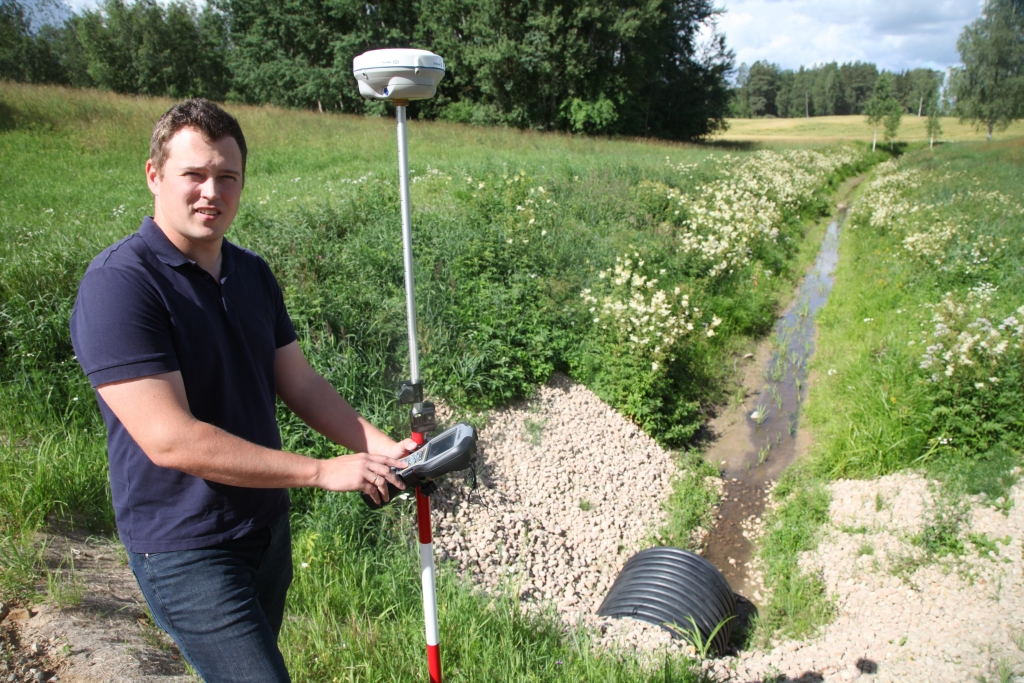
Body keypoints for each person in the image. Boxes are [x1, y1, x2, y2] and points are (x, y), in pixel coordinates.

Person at [70, 98, 416, 683]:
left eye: (227, 177)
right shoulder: (121, 286)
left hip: (263, 528)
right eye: (194, 175)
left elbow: (299, 381)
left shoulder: (250, 272)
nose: (212, 191)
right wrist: (320, 471)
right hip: (186, 546)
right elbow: (170, 440)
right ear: (155, 175)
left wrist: (383, 448)